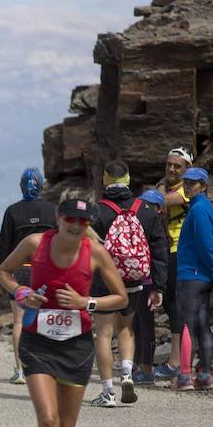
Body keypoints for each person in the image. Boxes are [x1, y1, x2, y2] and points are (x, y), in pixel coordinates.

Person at [0, 198, 127, 427]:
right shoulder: (35, 244)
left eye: (82, 221)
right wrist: (22, 293)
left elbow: (121, 297)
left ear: (88, 225)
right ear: (58, 217)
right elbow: (4, 272)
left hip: (76, 346)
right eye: (70, 218)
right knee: (48, 421)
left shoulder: (95, 253)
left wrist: (88, 302)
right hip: (37, 342)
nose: (75, 224)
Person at [88, 161, 167, 407]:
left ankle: (108, 392)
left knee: (103, 333)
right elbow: (160, 249)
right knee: (126, 329)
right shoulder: (145, 209)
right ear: (129, 180)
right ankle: (127, 375)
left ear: (105, 179)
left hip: (104, 280)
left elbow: (85, 250)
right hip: (134, 281)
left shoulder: (96, 211)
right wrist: (158, 286)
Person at [0, 168, 57, 384]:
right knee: (44, 318)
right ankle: (45, 367)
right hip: (44, 270)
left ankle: (20, 370)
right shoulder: (52, 210)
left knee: (19, 322)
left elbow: (4, 246)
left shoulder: (12, 211)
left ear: (22, 186)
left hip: (19, 271)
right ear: (41, 185)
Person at [153, 146, 194, 379]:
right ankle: (180, 361)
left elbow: (163, 201)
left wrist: (158, 192)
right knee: (170, 305)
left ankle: (176, 362)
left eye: (177, 166)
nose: (171, 169)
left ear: (187, 169)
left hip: (180, 251)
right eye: (169, 164)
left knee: (176, 305)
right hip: (168, 250)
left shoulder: (186, 191)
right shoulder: (167, 185)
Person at [173, 167, 213, 390]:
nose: (188, 186)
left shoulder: (198, 209)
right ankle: (205, 375)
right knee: (202, 324)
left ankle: (184, 377)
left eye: (194, 183)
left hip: (192, 276)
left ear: (204, 185)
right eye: (186, 182)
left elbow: (206, 245)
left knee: (187, 325)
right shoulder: (205, 208)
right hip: (203, 276)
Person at [131, 189, 167, 384]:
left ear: (159, 209)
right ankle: (138, 366)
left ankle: (146, 369)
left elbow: (160, 257)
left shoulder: (155, 226)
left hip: (148, 282)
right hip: (141, 280)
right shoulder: (142, 226)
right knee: (137, 324)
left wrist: (158, 286)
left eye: (150, 206)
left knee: (145, 325)